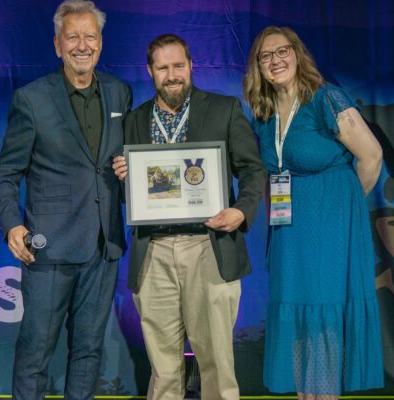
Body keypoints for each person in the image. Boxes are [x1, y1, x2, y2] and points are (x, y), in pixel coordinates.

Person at [113, 34, 266, 400]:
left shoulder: (223, 109)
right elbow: (133, 197)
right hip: (154, 251)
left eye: (178, 65)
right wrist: (123, 177)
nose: (172, 75)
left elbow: (252, 170)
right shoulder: (133, 121)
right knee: (164, 369)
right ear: (150, 72)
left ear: (191, 65)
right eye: (163, 68)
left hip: (208, 246)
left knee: (216, 364)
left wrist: (241, 210)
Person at [0, 1, 131, 399]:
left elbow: (124, 160)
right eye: (73, 37)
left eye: (90, 36)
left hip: (104, 246)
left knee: (88, 351)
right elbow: (6, 172)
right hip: (49, 248)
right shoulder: (31, 99)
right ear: (58, 45)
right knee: (36, 352)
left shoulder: (121, 92)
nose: (82, 45)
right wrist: (12, 224)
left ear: (101, 43)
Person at [243, 26, 384, 400]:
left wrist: (343, 209)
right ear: (258, 66)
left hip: (329, 224)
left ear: (297, 53)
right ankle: (308, 394)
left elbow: (371, 156)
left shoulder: (326, 98)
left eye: (282, 51)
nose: (275, 61)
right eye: (265, 56)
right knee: (300, 317)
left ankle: (324, 395)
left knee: (322, 314)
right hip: (289, 228)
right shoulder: (264, 112)